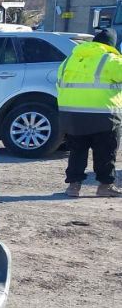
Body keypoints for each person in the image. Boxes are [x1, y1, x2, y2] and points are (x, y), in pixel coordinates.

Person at [57, 27, 122, 197]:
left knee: (77, 151)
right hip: (102, 115)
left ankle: (73, 186)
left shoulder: (70, 60)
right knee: (105, 151)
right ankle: (105, 186)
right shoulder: (110, 59)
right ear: (111, 44)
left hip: (71, 115)